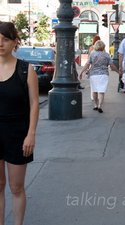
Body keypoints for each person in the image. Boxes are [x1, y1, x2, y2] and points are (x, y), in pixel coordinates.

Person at [0, 21, 39, 225]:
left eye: (5, 39)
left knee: (16, 187)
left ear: (15, 42)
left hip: (17, 134)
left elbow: (34, 104)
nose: (0, 44)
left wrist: (31, 133)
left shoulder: (25, 69)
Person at [79, 40, 119, 113]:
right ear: (103, 46)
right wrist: (118, 72)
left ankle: (95, 105)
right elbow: (112, 66)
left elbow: (87, 64)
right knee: (101, 91)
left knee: (94, 90)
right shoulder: (106, 55)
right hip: (104, 75)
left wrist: (81, 72)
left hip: (94, 75)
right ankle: (100, 105)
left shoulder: (92, 54)